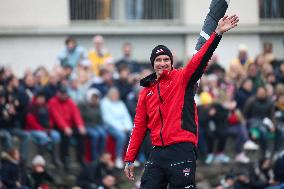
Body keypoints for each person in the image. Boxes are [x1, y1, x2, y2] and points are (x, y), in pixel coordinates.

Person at [124, 15, 239, 188]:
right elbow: (139, 127)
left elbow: (200, 59)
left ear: (171, 62)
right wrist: (129, 159)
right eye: (158, 60)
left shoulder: (182, 78)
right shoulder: (146, 92)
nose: (162, 63)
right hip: (157, 151)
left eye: (166, 60)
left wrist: (217, 33)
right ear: (152, 64)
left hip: (182, 148)